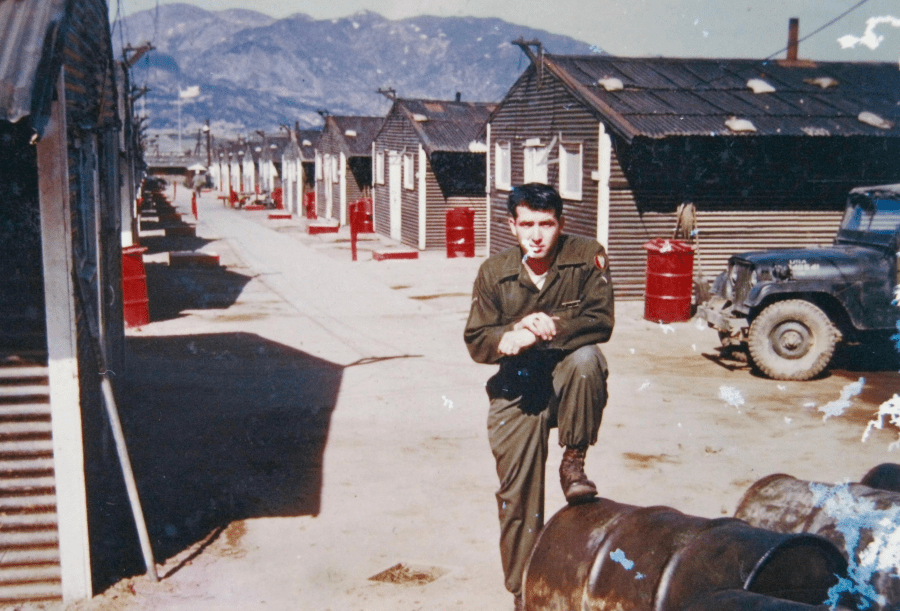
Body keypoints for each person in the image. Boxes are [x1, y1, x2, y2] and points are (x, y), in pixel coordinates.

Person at [463, 183, 614, 611]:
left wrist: (553, 325)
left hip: (568, 377)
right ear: (511, 226)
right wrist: (507, 336)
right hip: (517, 388)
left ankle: (574, 461)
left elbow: (601, 320)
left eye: (546, 224)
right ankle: (522, 592)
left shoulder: (587, 256)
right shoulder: (495, 271)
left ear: (561, 224)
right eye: (526, 223)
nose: (536, 234)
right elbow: (476, 338)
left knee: (587, 360)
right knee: (517, 498)